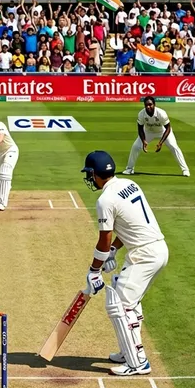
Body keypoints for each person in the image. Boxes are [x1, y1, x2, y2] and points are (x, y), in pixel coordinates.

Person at [80, 150, 168, 376]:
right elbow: (129, 226)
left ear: (95, 174)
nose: (90, 179)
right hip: (155, 249)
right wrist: (112, 251)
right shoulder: (129, 183)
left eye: (90, 174)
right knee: (129, 301)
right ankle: (127, 350)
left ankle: (137, 363)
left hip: (144, 255)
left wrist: (94, 271)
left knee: (119, 305)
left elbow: (104, 236)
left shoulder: (105, 200)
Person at [124, 96, 190, 177]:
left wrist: (161, 142)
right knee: (135, 146)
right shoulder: (141, 114)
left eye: (150, 104)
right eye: (146, 105)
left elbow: (168, 128)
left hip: (163, 131)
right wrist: (144, 140)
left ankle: (185, 170)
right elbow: (140, 129)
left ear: (154, 104)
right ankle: (129, 169)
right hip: (148, 132)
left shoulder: (161, 113)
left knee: (174, 147)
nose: (148, 107)